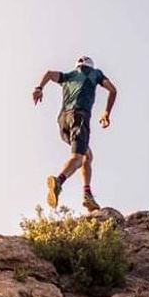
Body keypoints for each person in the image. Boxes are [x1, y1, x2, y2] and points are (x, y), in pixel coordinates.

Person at [32, 56, 117, 211]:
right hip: (79, 116)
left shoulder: (68, 76)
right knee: (77, 158)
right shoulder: (95, 73)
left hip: (63, 121)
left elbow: (50, 74)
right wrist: (106, 113)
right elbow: (113, 90)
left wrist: (39, 88)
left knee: (87, 156)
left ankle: (87, 194)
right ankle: (58, 181)